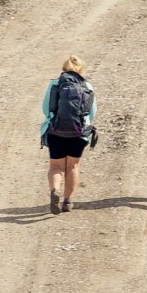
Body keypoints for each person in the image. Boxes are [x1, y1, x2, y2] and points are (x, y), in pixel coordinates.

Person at [41, 55, 98, 213]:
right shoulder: (87, 86)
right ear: (81, 70)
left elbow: (46, 109)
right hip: (79, 132)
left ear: (64, 68)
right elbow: (92, 113)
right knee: (73, 166)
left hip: (56, 131)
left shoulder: (55, 84)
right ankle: (67, 202)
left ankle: (55, 190)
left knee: (56, 166)